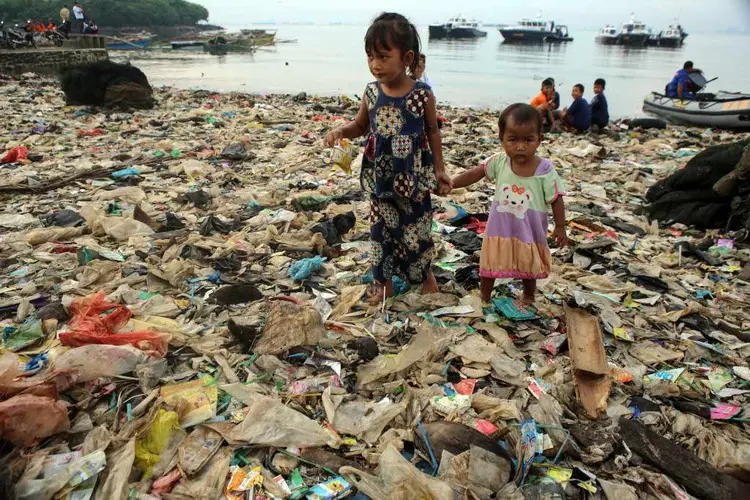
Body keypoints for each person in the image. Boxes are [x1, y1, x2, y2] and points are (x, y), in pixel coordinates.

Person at [324, 12, 451, 304]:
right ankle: (383, 283)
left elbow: (433, 132)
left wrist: (440, 170)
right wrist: (341, 131)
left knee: (417, 230)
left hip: (413, 177)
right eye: (370, 56)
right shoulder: (371, 92)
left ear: (406, 58)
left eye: (383, 56)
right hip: (380, 178)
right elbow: (360, 126)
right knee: (381, 233)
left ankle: (425, 274)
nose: (375, 64)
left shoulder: (422, 94)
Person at [450, 103, 568, 304]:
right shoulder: (499, 162)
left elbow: (556, 199)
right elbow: (475, 174)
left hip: (528, 230)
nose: (520, 146)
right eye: (513, 140)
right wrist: (452, 183)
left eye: (528, 140)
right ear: (501, 139)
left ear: (539, 140)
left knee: (528, 264)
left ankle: (528, 294)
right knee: (490, 262)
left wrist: (560, 226)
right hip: (499, 229)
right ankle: (484, 295)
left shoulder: (544, 170)